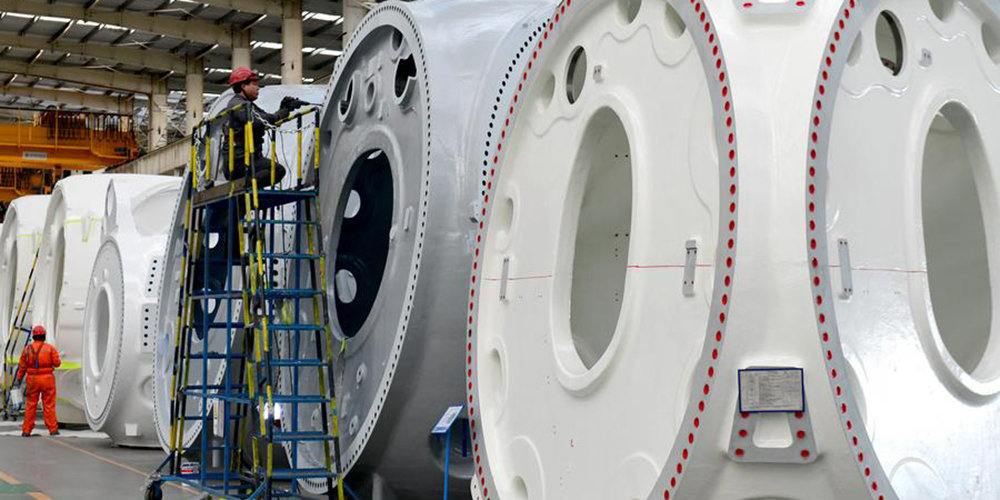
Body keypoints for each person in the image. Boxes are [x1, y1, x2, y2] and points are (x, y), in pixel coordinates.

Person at [219, 67, 309, 187]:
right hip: (239, 162)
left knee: (276, 170)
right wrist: (281, 112)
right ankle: (243, 186)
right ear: (243, 86)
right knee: (277, 170)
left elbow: (267, 119)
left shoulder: (248, 105)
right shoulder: (238, 105)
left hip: (247, 159)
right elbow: (259, 121)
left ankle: (245, 186)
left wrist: (284, 109)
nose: (258, 88)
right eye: (254, 84)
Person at [14, 325, 61, 436]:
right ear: (44, 336)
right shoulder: (50, 348)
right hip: (47, 380)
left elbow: (22, 367)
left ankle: (26, 430)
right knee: (49, 404)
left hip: (32, 380)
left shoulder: (27, 350)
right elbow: (57, 364)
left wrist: (19, 379)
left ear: (33, 336)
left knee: (31, 405)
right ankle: (53, 429)